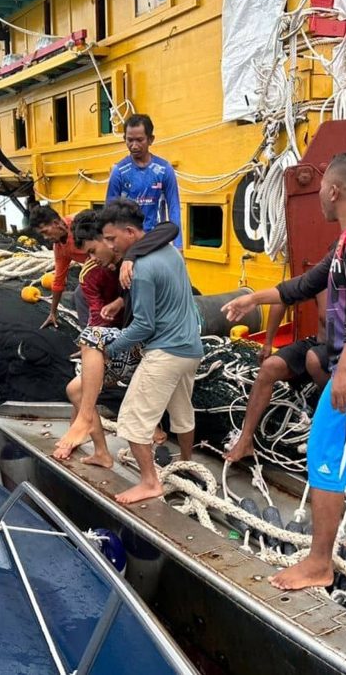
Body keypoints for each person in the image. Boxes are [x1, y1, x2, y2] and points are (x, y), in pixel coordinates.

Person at [222, 152, 346, 591]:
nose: (320, 197)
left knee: (324, 456)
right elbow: (306, 285)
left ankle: (319, 563)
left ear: (333, 190)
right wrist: (254, 299)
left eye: (323, 190)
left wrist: (345, 372)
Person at [53, 210, 181, 463]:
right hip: (133, 338)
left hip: (148, 343)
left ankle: (86, 420)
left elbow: (169, 228)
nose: (92, 258)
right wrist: (119, 304)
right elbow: (96, 314)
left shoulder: (135, 260)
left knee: (90, 346)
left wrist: (102, 346)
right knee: (76, 386)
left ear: (109, 239)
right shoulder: (95, 273)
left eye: (93, 250)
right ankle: (99, 449)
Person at [99, 199, 202, 504]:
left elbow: (143, 326)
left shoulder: (141, 269)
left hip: (165, 354)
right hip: (190, 349)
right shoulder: (168, 251)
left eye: (111, 239)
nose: (109, 245)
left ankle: (149, 482)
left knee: (132, 420)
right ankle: (187, 462)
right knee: (182, 412)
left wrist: (109, 349)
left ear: (130, 232)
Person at [224, 294, 330, 462]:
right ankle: (245, 441)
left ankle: (329, 430)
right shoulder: (324, 276)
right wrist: (268, 343)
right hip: (320, 343)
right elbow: (282, 298)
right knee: (269, 368)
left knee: (313, 359)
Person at [106, 114, 182, 248]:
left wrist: (179, 245)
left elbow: (174, 208)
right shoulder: (119, 171)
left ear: (150, 139)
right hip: (129, 243)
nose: (134, 146)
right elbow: (109, 213)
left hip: (157, 240)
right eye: (130, 140)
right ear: (124, 139)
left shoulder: (164, 169)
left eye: (139, 140)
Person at [30, 205, 88, 330]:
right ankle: (90, 337)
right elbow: (59, 279)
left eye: (45, 232)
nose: (45, 238)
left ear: (56, 223)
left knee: (81, 295)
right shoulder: (60, 248)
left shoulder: (80, 222)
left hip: (115, 264)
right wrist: (53, 312)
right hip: (97, 270)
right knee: (76, 298)